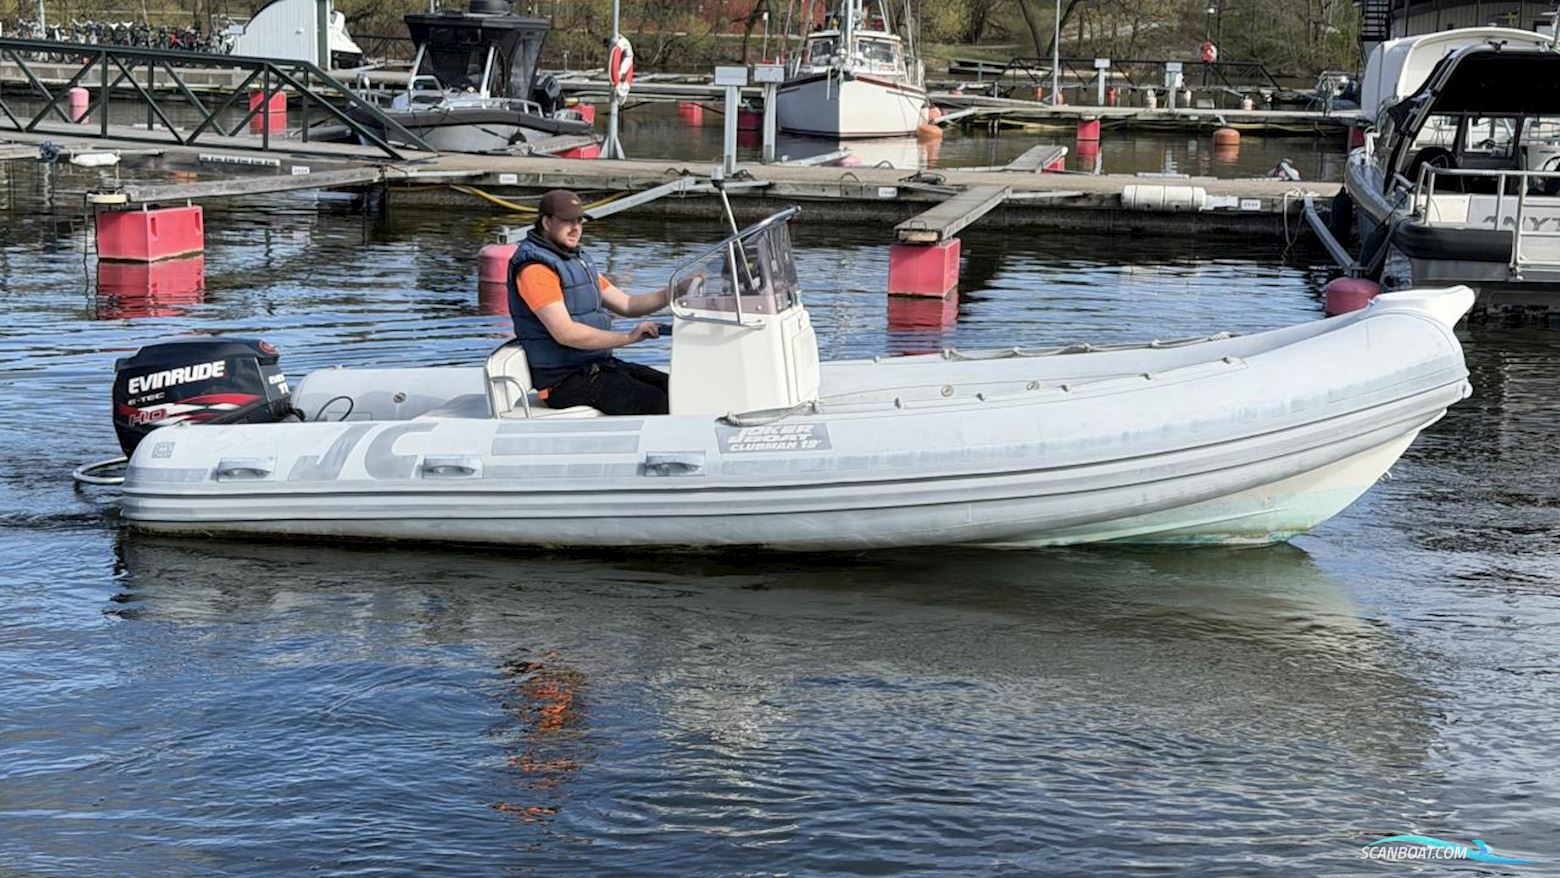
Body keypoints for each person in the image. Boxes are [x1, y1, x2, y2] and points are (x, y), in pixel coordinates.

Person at [506, 190, 675, 416]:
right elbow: (565, 333)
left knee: (678, 389)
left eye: (579, 221)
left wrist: (673, 293)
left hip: (596, 366)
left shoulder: (577, 261)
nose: (576, 228)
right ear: (546, 222)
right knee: (663, 404)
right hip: (565, 382)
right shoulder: (536, 269)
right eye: (567, 221)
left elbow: (627, 304)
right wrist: (628, 338)